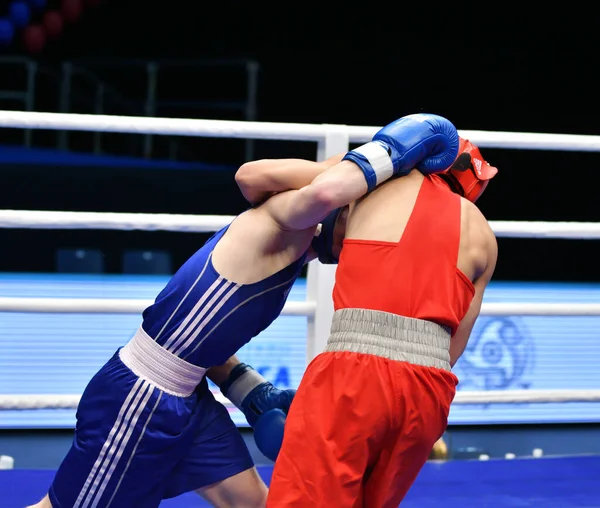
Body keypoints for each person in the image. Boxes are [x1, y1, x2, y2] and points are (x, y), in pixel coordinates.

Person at [28, 113, 459, 508]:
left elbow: (197, 342)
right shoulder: (285, 222)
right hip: (141, 398)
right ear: (342, 208)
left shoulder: (290, 246)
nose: (368, 237)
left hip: (189, 398)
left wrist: (248, 390)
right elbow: (280, 180)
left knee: (254, 504)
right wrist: (387, 153)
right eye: (368, 218)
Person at [266, 136, 499, 507]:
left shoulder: (372, 187)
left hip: (354, 374)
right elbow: (453, 347)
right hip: (429, 388)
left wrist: (356, 161)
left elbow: (257, 178)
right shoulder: (485, 236)